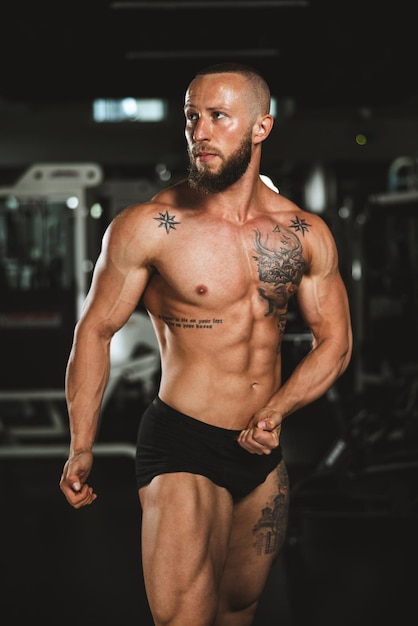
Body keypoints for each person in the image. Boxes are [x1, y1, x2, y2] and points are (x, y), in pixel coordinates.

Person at [59, 62, 352, 626]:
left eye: (219, 117)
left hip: (262, 453)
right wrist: (81, 444)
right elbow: (94, 330)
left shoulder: (303, 233)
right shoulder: (148, 226)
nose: (200, 131)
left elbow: (335, 342)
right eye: (192, 117)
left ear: (261, 128)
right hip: (182, 445)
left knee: (237, 610)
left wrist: (277, 409)